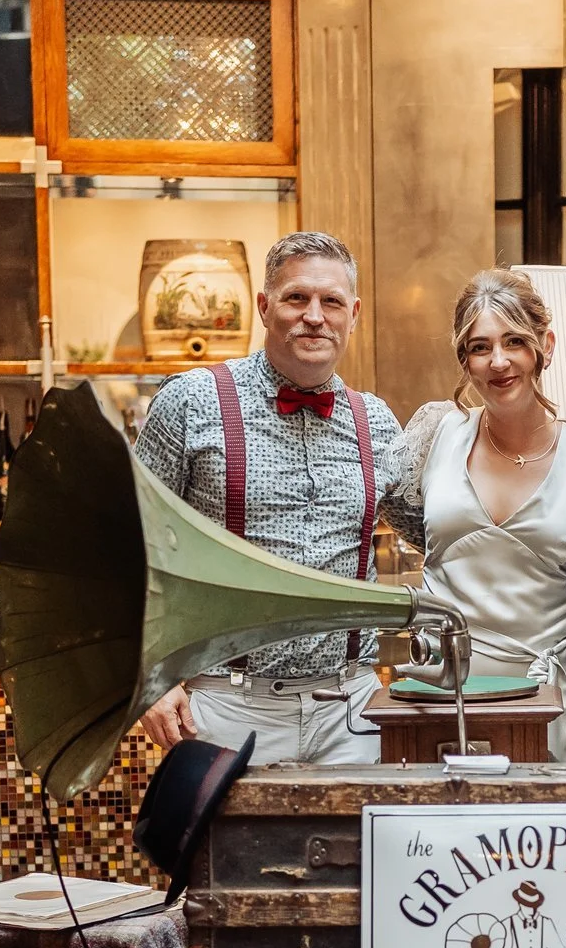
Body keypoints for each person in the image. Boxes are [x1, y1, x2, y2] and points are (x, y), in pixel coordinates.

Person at [130, 230, 405, 764]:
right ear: (264, 306)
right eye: (297, 298)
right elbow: (128, 547)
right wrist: (148, 680)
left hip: (352, 710)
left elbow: (443, 529)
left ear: (355, 314)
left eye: (331, 302)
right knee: (228, 851)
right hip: (224, 706)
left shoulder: (376, 420)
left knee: (358, 850)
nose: (314, 316)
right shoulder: (191, 401)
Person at [380, 269, 566, 763]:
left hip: (550, 700)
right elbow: (422, 535)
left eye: (515, 341)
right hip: (441, 693)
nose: (499, 361)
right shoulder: (432, 436)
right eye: (479, 347)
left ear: (545, 346)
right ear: (463, 359)